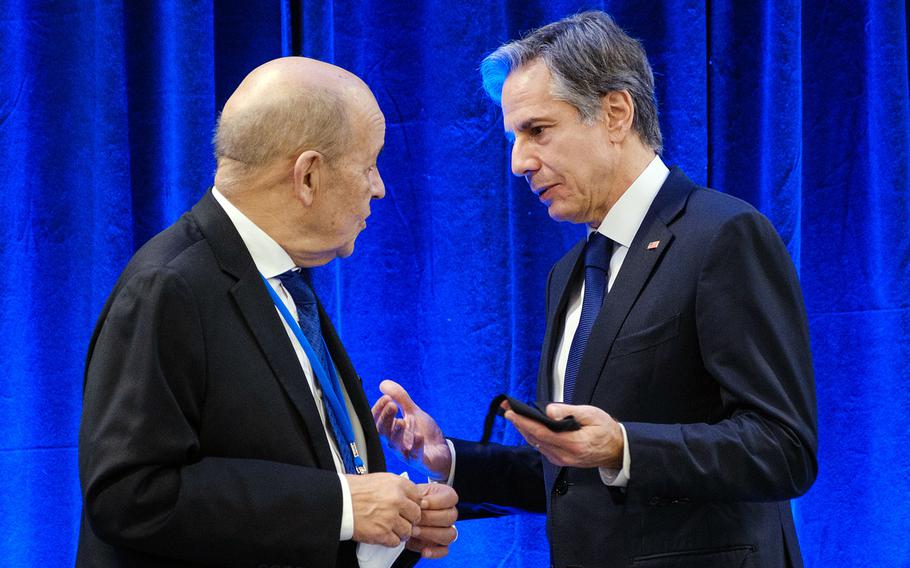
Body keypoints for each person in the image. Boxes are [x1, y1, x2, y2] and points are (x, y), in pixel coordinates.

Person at [373, 11, 817, 568]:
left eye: (537, 131)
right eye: (514, 137)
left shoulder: (722, 236)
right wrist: (450, 458)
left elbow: (784, 448)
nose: (518, 162)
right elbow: (572, 475)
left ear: (615, 112)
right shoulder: (571, 271)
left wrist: (624, 446)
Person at [77, 57, 457, 568]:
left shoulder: (279, 275)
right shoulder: (168, 287)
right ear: (307, 176)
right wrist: (345, 506)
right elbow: (131, 494)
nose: (379, 186)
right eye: (369, 164)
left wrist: (391, 529)